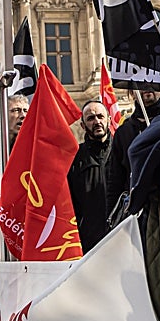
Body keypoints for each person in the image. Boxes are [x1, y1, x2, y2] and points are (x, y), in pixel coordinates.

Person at [104, 87, 160, 218]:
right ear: (132, 92)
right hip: (139, 213)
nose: (147, 87)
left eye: (151, 82)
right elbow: (115, 180)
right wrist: (111, 218)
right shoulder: (123, 132)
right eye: (141, 84)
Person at [68, 101, 112, 250]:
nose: (97, 122)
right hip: (88, 243)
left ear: (109, 120)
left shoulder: (122, 152)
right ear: (83, 126)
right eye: (91, 118)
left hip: (121, 236)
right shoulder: (74, 158)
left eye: (100, 116)